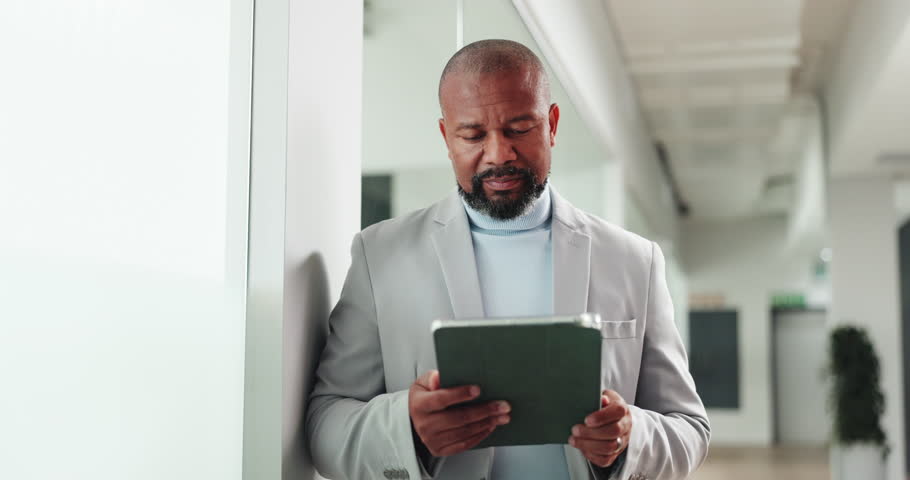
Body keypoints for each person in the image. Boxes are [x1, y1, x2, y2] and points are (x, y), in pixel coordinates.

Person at [306, 39, 709, 480]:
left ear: (551, 124)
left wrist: (632, 435)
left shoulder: (634, 261)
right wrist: (406, 426)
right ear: (446, 137)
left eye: (519, 128)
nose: (499, 154)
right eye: (473, 134)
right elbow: (325, 421)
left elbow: (688, 428)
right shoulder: (379, 255)